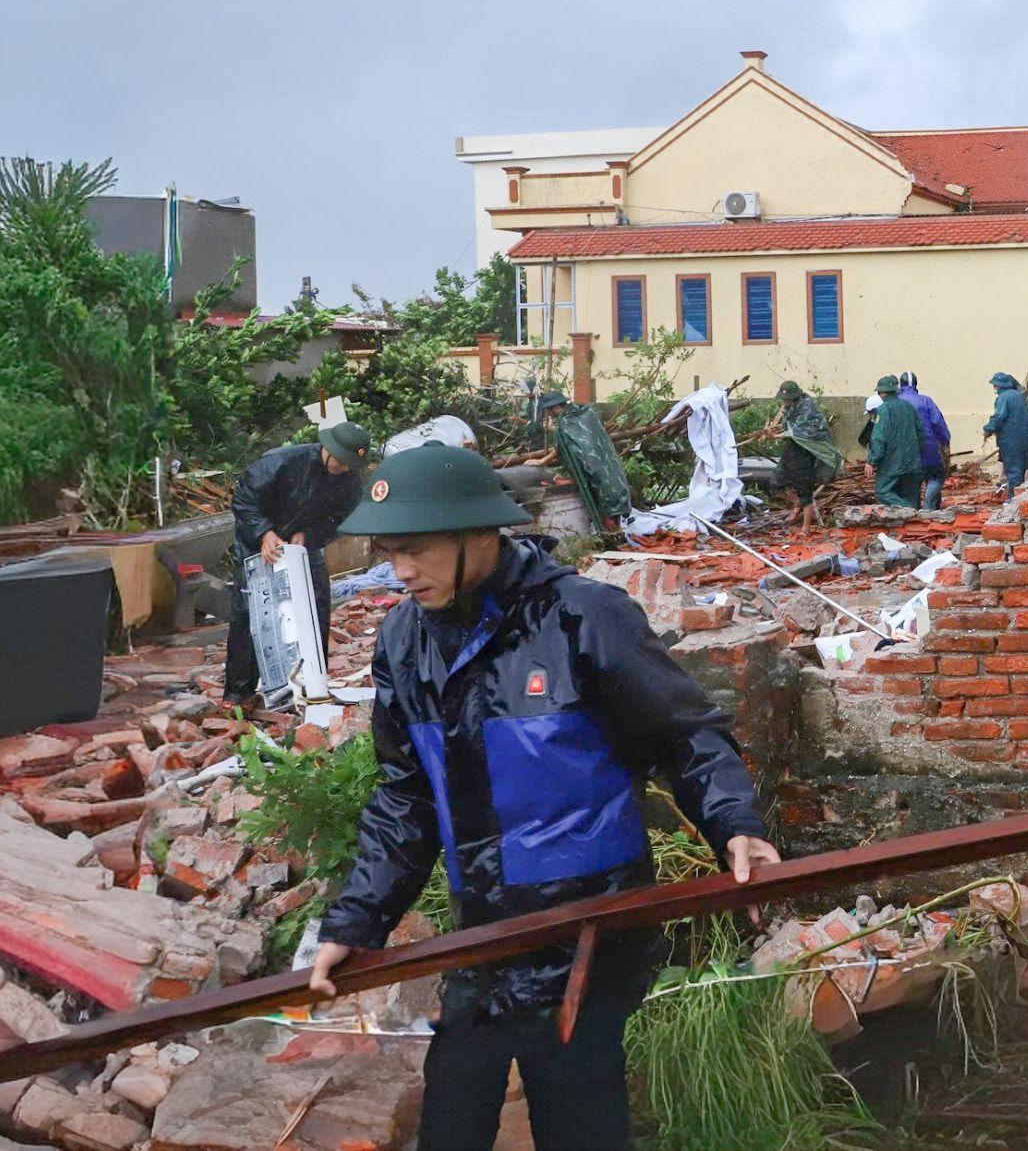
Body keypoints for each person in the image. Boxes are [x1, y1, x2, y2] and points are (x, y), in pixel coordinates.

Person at [306, 443, 779, 1151]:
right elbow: (405, 796)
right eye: (388, 550)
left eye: (417, 549)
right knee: (452, 1117)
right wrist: (356, 919)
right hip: (485, 934)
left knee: (579, 1121)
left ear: (480, 533)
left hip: (590, 929)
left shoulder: (580, 618)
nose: (400, 570)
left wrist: (735, 823)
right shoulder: (405, 639)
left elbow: (685, 733)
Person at [223, 421, 373, 705]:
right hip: (257, 542)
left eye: (348, 463)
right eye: (339, 460)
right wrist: (263, 533)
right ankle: (238, 693)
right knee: (251, 614)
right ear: (327, 448)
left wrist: (310, 534)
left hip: (303, 546)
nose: (341, 467)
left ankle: (309, 684)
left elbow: (340, 519)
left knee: (315, 607)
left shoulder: (350, 481)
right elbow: (244, 500)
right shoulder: (283, 462)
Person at [525, 389, 634, 533]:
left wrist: (542, 461)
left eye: (549, 410)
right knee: (613, 510)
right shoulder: (586, 413)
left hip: (597, 473)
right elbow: (577, 438)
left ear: (554, 407)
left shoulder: (565, 422)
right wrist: (555, 430)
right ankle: (616, 538)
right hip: (612, 469)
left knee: (606, 512)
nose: (549, 414)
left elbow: (565, 446)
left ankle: (613, 540)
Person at [764, 380, 841, 528]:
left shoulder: (806, 408)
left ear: (795, 396)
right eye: (783, 399)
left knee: (805, 491)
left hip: (806, 450)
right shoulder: (789, 407)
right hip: (792, 448)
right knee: (776, 482)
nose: (784, 402)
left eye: (787, 399)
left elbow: (802, 433)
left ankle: (806, 528)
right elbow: (788, 427)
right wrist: (773, 430)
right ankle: (796, 503)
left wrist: (778, 436)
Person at [896, 372, 953, 511]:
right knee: (935, 476)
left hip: (903, 453)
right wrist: (945, 440)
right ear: (916, 384)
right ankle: (929, 506)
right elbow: (938, 423)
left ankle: (912, 512)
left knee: (911, 483)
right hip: (928, 448)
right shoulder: (926, 401)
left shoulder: (894, 403)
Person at [865, 374, 922, 508]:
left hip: (892, 463)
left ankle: (909, 511)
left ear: (881, 392)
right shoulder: (909, 407)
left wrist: (872, 461)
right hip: (913, 462)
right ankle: (914, 521)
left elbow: (879, 438)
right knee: (911, 495)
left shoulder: (883, 410)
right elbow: (920, 433)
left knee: (883, 492)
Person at [983, 372, 1028, 496]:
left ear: (997, 386)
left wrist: (988, 429)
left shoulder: (1003, 398)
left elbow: (999, 416)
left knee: (1013, 471)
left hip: (1011, 439)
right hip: (1027, 439)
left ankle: (1014, 499)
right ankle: (1025, 496)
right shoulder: (1018, 395)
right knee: (1025, 469)